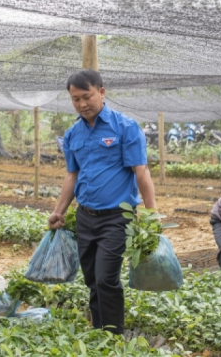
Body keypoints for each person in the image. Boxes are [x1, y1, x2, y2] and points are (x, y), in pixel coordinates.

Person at [48, 69, 157, 334]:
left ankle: (113, 333)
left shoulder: (125, 127)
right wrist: (58, 211)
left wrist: (151, 213)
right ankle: (99, 331)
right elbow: (72, 175)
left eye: (87, 97)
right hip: (86, 217)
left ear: (101, 92)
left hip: (117, 218)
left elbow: (141, 172)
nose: (82, 104)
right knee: (92, 279)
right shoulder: (73, 134)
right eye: (76, 99)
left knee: (107, 277)